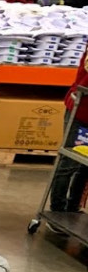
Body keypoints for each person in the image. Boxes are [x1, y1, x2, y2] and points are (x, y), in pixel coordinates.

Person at [51, 51, 88, 212]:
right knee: (69, 161)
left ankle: (74, 207)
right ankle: (57, 209)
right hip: (80, 109)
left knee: (85, 166)